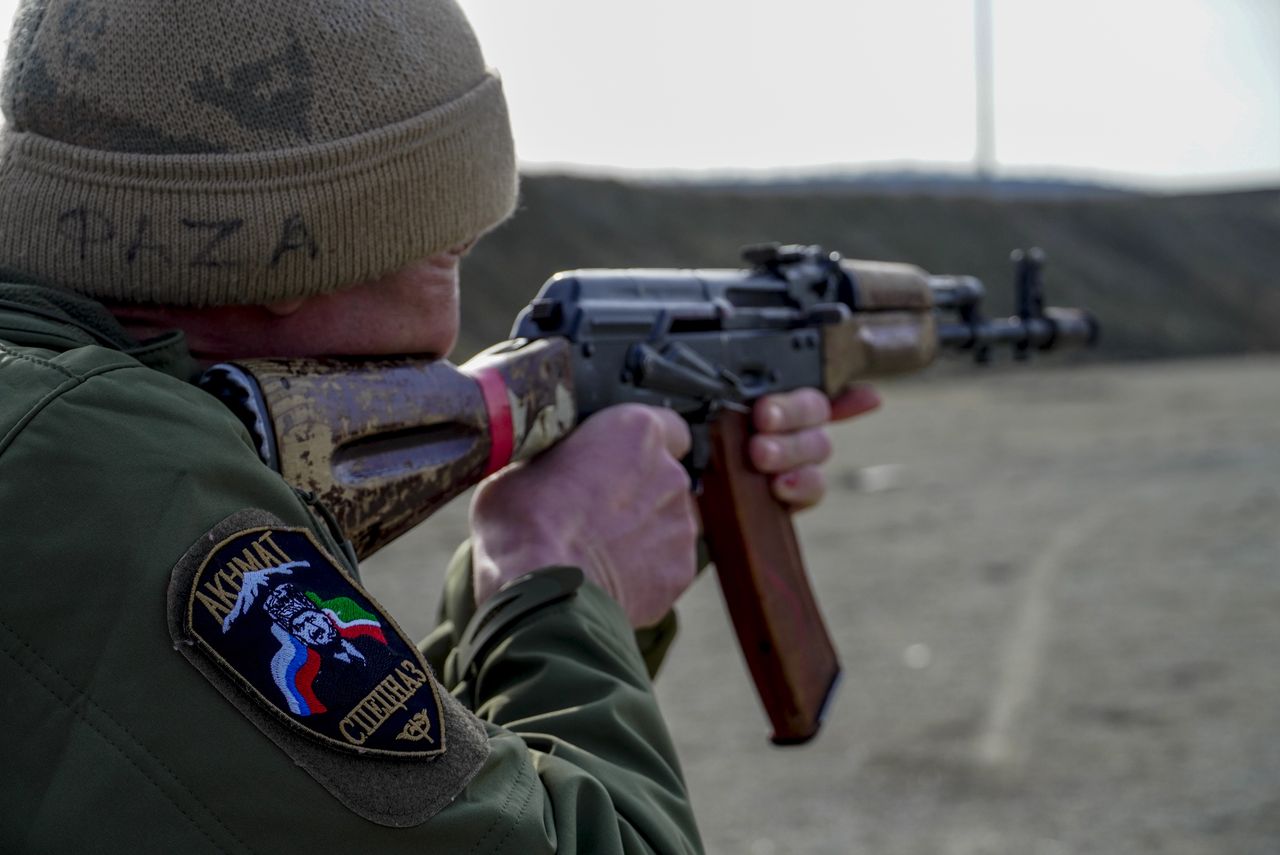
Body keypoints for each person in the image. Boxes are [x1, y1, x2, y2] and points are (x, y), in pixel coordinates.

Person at [0, 1, 880, 852]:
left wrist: (532, 586)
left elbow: (340, 799)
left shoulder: (65, 444)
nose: (449, 336)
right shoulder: (130, 487)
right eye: (446, 253)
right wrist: (566, 574)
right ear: (287, 248)